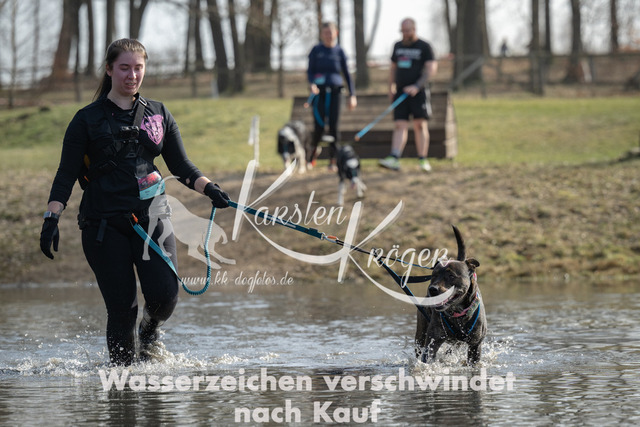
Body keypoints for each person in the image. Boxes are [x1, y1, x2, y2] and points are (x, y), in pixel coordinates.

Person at [39, 38, 231, 366]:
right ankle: (122, 381)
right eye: (124, 68)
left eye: (138, 68)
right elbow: (65, 174)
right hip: (103, 225)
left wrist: (209, 188)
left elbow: (180, 165)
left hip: (152, 219)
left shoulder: (158, 113)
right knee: (122, 310)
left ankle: (149, 331)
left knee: (165, 297)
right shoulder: (86, 119)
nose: (132, 75)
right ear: (109, 69)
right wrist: (51, 218)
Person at [379, 18, 437, 172]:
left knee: (420, 125)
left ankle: (423, 159)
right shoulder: (397, 46)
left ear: (414, 29)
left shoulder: (424, 46)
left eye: (408, 31)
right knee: (400, 124)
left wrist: (417, 86)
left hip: (418, 92)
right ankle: (394, 158)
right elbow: (393, 68)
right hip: (400, 92)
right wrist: (391, 87)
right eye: (403, 31)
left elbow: (431, 69)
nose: (405, 34)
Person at [307, 21, 357, 170]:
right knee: (319, 126)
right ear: (322, 34)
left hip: (336, 92)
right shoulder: (316, 50)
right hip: (319, 93)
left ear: (336, 33)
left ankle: (333, 159)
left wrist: (352, 95)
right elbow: (310, 71)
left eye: (330, 33)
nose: (328, 35)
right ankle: (312, 156)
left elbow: (347, 74)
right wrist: (312, 84)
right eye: (325, 33)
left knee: (334, 126)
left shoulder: (340, 52)